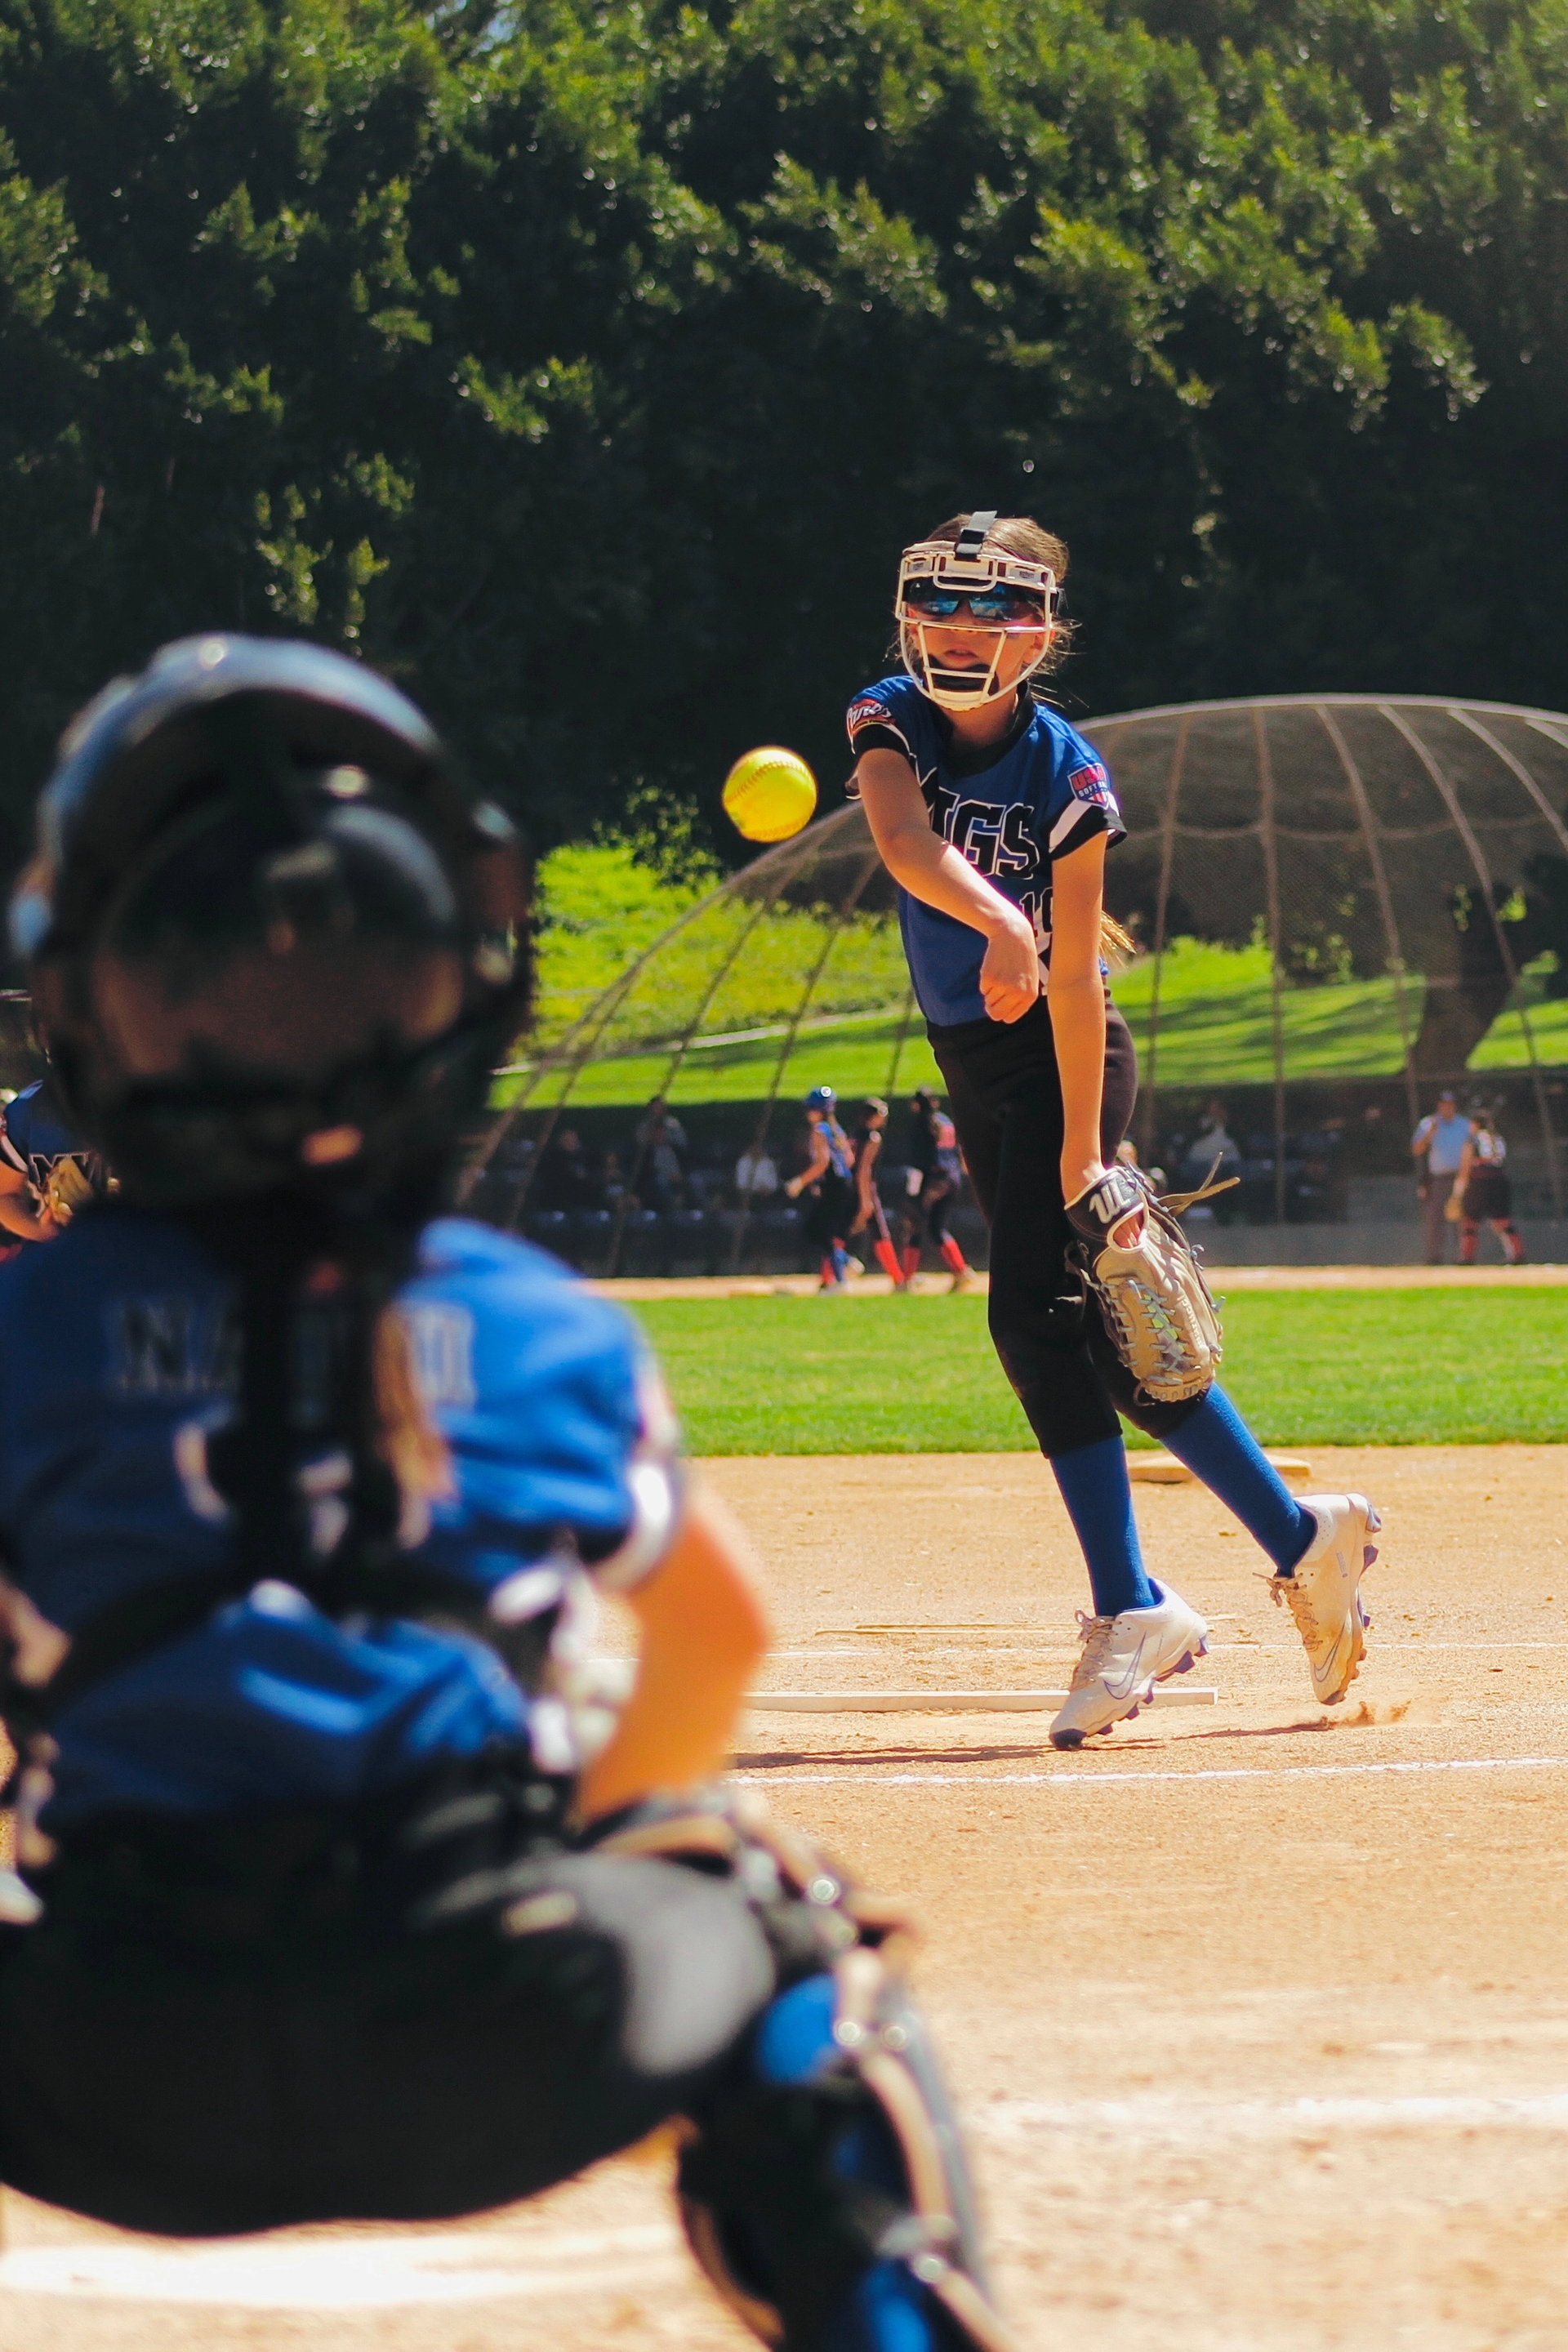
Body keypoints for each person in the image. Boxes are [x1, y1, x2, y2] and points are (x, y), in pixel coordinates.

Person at [0, 637, 1013, 2352]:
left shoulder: (27, 1322)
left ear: (88, 998)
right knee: (777, 1923)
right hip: (489, 2035)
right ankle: (883, 2314)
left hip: (108, 2063)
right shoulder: (537, 1326)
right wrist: (573, 1841)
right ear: (456, 997)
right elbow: (716, 1645)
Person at [848, 507, 1380, 1748]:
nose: (968, 629)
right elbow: (903, 839)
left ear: (1043, 634)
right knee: (1113, 1350)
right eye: (948, 601)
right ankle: (1308, 1542)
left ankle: (1131, 1606)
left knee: (1032, 1321)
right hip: (977, 1061)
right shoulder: (893, 719)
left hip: (1062, 1065)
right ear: (910, 612)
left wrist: (1086, 1149)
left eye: (999, 608)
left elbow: (1079, 984)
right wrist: (1001, 923)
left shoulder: (1069, 775)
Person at [0, 1064, 105, 1258]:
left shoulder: (155, 1103)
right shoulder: (27, 1109)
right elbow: (4, 1196)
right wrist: (40, 1231)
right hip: (65, 1259)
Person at [783, 1085, 858, 1291]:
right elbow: (849, 1159)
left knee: (820, 1232)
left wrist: (800, 1182)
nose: (808, 1113)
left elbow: (823, 1162)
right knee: (817, 1230)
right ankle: (844, 1262)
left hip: (834, 1186)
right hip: (844, 1185)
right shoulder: (837, 1130)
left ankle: (841, 1279)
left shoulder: (818, 1130)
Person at [900, 1087, 973, 1292]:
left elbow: (920, 1160)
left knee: (913, 1224)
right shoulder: (944, 1120)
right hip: (952, 1178)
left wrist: (913, 1191)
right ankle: (961, 1271)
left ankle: (908, 1280)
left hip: (931, 1179)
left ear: (916, 1105)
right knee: (937, 1228)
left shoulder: (922, 1123)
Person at [1456, 1101, 1526, 1266]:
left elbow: (1466, 1166)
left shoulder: (1472, 1139)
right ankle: (1517, 1254)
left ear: (1475, 1124)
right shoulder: (1498, 1138)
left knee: (1470, 1221)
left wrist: (1458, 1191)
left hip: (1480, 1181)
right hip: (1499, 1181)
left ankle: (1467, 1257)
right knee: (1503, 1221)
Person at [847, 1098, 906, 1287]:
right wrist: (866, 1201)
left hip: (848, 1187)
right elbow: (864, 1169)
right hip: (864, 1188)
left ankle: (828, 1277)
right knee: (880, 1233)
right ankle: (898, 1278)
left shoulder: (853, 1134)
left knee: (841, 1231)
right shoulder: (873, 1138)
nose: (884, 1118)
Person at [1410, 1087, 1471, 1265]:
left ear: (1455, 1106)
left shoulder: (1464, 1125)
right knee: (1435, 1218)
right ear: (1439, 1106)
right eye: (1443, 1104)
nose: (1447, 1108)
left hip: (1461, 1178)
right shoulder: (1429, 1123)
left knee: (1461, 1218)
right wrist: (1429, 1134)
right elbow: (1416, 1150)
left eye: (1450, 1104)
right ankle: (1434, 1257)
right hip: (1439, 1179)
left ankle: (1463, 1256)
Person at [734, 1139, 779, 1203]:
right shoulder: (743, 1162)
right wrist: (755, 1189)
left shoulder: (769, 1163)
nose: (757, 1150)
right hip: (748, 1194)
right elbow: (740, 1184)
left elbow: (773, 1184)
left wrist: (767, 1189)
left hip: (765, 1195)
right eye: (755, 1148)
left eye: (759, 1148)